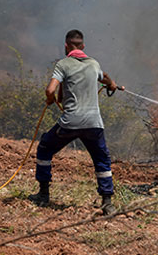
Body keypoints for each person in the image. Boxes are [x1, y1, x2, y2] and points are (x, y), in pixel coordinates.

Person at [29, 29, 122, 215]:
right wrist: (112, 84)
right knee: (102, 160)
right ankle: (107, 203)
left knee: (45, 148)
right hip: (94, 124)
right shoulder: (94, 64)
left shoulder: (63, 64)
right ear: (83, 46)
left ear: (66, 46)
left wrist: (50, 99)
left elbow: (50, 90)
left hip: (70, 123)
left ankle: (43, 194)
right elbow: (105, 77)